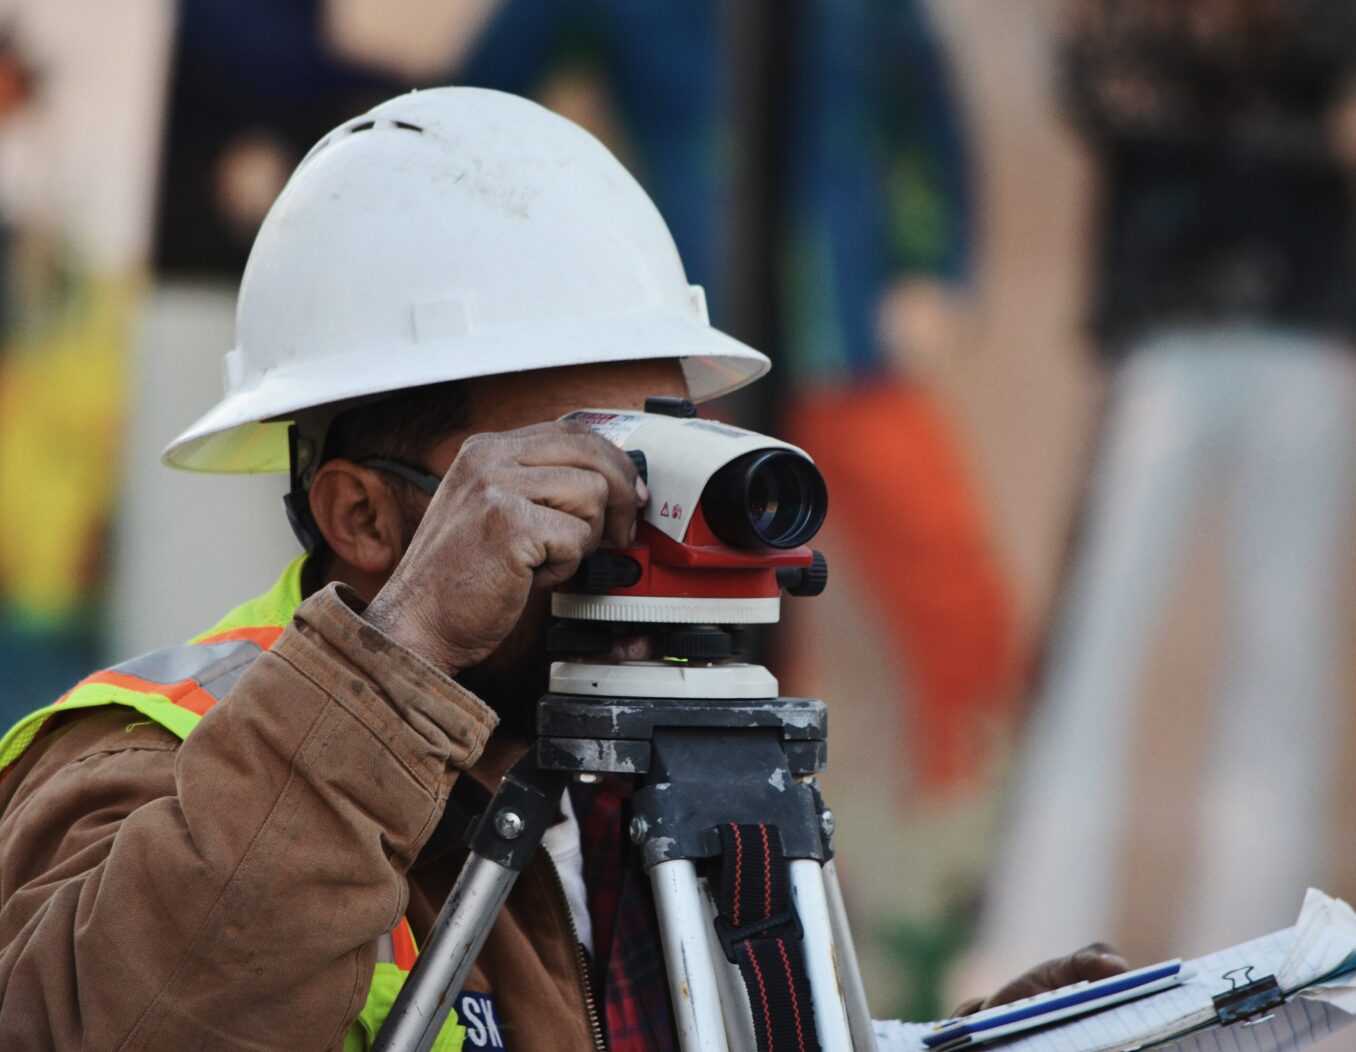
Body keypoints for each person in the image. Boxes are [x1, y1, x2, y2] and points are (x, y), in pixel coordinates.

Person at [0, 88, 1121, 1051]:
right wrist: (407, 652)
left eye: (659, 440)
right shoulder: (149, 750)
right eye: (571, 467)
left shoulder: (666, 767)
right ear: (363, 514)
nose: (638, 512)